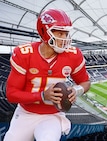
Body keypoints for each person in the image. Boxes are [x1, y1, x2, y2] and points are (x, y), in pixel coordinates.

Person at [4, 8, 91, 141]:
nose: (64, 38)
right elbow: (11, 94)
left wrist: (76, 90)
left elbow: (85, 82)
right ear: (44, 32)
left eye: (66, 33)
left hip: (53, 115)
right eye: (59, 33)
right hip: (26, 113)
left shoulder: (73, 55)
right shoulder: (24, 54)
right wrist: (43, 95)